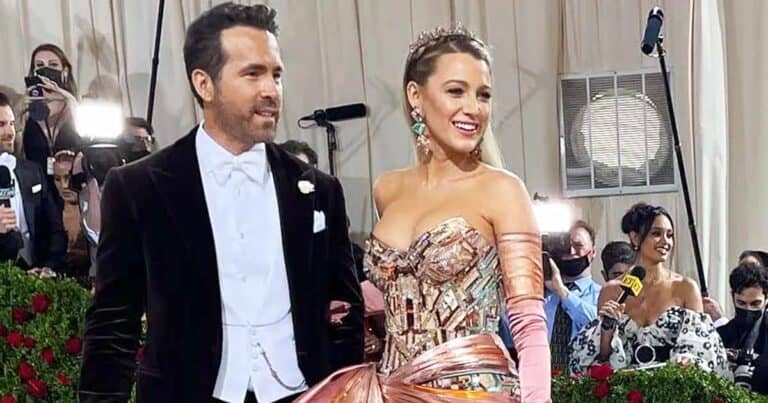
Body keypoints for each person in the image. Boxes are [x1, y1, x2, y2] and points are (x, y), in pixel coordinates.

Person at [78, 4, 363, 403]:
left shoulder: (319, 190)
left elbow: (346, 311)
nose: (271, 90)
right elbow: (113, 321)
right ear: (204, 84)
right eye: (253, 74)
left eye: (276, 74)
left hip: (300, 393)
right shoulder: (139, 187)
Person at [297, 24, 551, 402]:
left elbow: (528, 324)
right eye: (456, 91)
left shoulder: (503, 190)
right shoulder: (388, 189)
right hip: (393, 389)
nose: (473, 108)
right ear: (415, 95)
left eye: (483, 95)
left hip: (473, 393)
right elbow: (406, 290)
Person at [569, 203, 730, 378]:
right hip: (626, 387)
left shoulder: (686, 288)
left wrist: (687, 360)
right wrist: (607, 329)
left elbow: (701, 349)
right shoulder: (612, 291)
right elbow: (603, 356)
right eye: (656, 234)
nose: (665, 242)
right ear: (635, 237)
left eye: (670, 235)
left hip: (674, 386)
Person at [0, 92, 67, 274]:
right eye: (1, 125)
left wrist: (49, 268)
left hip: (39, 278)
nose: (10, 132)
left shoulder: (32, 171)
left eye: (11, 124)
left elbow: (55, 227)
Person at [21, 44, 81, 193]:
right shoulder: (26, 109)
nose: (46, 70)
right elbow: (15, 149)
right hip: (37, 190)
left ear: (65, 71)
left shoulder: (73, 105)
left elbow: (86, 140)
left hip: (72, 187)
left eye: (53, 65)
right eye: (40, 65)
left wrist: (64, 95)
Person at [546, 220, 601, 371]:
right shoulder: (542, 297)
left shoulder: (602, 294)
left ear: (593, 252)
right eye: (565, 246)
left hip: (584, 381)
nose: (571, 251)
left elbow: (597, 325)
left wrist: (562, 292)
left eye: (578, 245)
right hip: (541, 380)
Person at [717, 264, 768, 392]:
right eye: (741, 303)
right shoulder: (720, 335)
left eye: (755, 303)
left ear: (766, 298)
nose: (748, 309)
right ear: (732, 297)